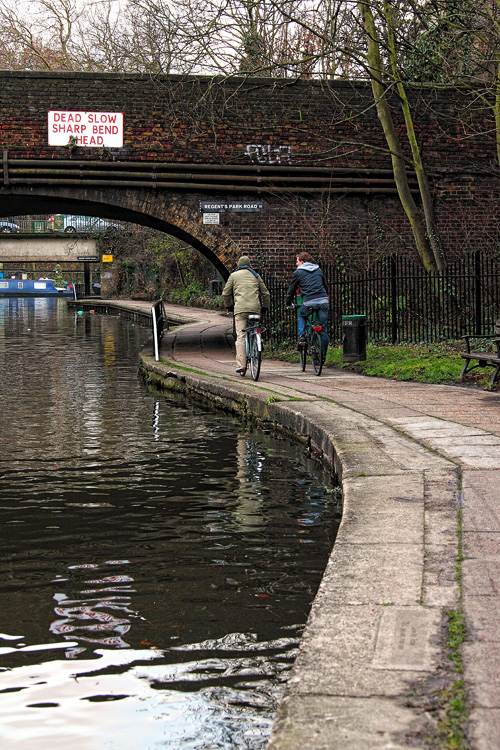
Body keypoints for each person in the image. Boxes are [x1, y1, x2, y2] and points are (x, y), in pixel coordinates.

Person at [222, 255, 270, 374]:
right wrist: (265, 307)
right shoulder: (256, 276)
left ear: (238, 265)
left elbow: (225, 294)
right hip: (255, 309)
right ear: (249, 265)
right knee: (256, 328)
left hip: (241, 310)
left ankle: (241, 365)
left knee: (241, 336)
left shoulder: (233, 276)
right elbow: (265, 293)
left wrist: (229, 306)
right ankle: (258, 343)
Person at [286, 252, 329, 362]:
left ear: (302, 261)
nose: (296, 264)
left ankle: (302, 337)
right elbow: (325, 286)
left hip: (309, 301)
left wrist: (288, 302)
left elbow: (292, 289)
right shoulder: (319, 270)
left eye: (297, 261)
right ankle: (322, 357)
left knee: (302, 316)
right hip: (323, 300)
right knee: (323, 329)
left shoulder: (298, 272)